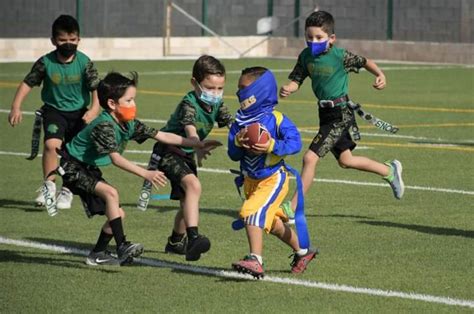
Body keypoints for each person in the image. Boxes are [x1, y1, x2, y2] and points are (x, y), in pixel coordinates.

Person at [57, 71, 221, 266]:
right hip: (72, 166)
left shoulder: (129, 124)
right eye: (129, 100)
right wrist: (146, 173)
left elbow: (164, 136)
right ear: (112, 104)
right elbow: (116, 159)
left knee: (117, 215)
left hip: (87, 168)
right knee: (111, 193)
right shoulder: (104, 126)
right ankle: (122, 246)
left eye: (134, 99)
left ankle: (97, 253)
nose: (133, 104)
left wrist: (197, 144)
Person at [279, 11, 405, 217]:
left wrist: (380, 75)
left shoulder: (340, 56)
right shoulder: (305, 56)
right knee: (346, 160)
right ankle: (389, 170)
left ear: (331, 39)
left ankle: (291, 208)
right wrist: (289, 88)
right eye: (309, 37)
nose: (313, 41)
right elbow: (297, 79)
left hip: (341, 114)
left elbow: (365, 61)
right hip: (325, 113)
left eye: (319, 38)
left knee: (310, 158)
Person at [228, 67, 317, 278]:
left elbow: (295, 143)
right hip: (250, 181)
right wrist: (238, 142)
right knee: (273, 223)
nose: (238, 93)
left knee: (250, 212)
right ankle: (303, 251)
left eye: (243, 88)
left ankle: (255, 260)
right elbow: (233, 154)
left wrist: (271, 145)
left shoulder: (276, 119)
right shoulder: (239, 121)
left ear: (259, 91)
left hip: (273, 179)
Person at [8, 14, 100, 210]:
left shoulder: (84, 62)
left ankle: (67, 190)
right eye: (62, 40)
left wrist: (93, 109)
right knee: (51, 145)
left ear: (78, 40)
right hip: (54, 111)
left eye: (72, 40)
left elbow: (95, 90)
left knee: (72, 154)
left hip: (80, 114)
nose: (68, 44)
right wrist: (16, 106)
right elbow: (27, 83)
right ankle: (49, 185)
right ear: (53, 41)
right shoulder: (45, 62)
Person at [146, 55, 232, 262]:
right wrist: (196, 142)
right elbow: (190, 127)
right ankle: (193, 238)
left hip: (187, 154)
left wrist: (249, 135)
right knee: (194, 186)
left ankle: (176, 241)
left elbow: (233, 123)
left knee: (187, 201)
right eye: (209, 88)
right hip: (168, 151)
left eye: (220, 88)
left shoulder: (218, 105)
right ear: (195, 83)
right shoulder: (189, 102)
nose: (215, 93)